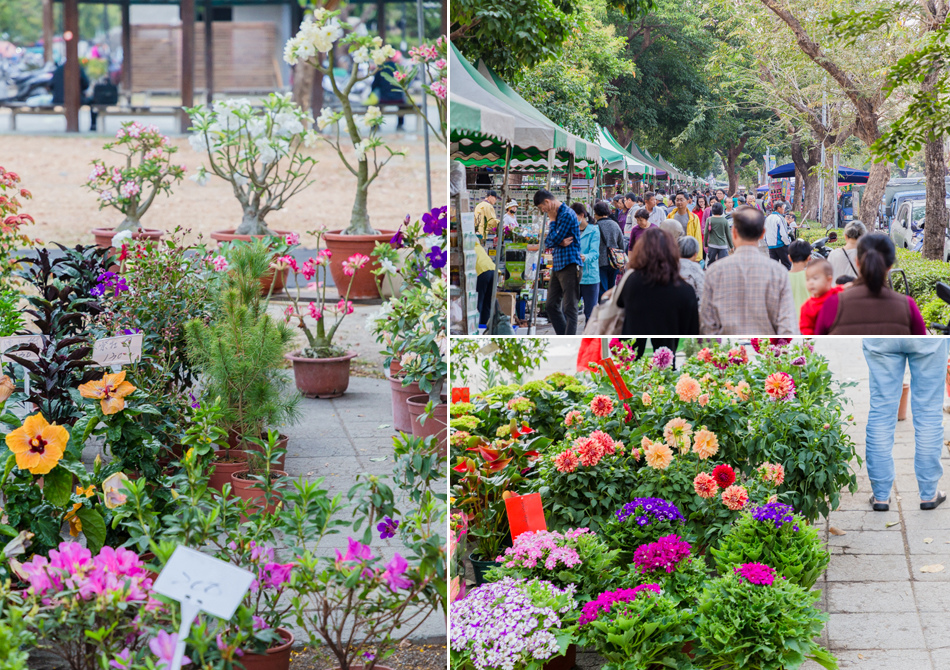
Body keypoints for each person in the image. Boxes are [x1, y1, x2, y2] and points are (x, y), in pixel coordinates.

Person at [864, 338, 950, 512]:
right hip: (926, 337)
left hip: (881, 334)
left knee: (881, 413)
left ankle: (881, 496)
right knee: (929, 413)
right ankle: (929, 494)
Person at [701, 206, 796, 335]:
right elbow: (787, 324)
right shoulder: (778, 272)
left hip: (727, 350)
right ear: (763, 233)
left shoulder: (714, 272)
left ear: (733, 232)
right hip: (766, 350)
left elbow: (707, 325)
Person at [815, 233, 926, 334]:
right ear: (890, 266)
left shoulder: (832, 304)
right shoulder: (907, 307)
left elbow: (815, 345)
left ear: (857, 262)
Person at [617, 227, 699, 335]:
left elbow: (620, 303)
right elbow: (692, 330)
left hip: (633, 348)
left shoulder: (631, 281)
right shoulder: (685, 290)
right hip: (669, 347)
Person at [536, 189, 581, 335]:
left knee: (570, 307)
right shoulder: (558, 214)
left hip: (569, 264)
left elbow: (551, 240)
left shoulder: (566, 214)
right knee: (550, 306)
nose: (543, 211)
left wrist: (553, 222)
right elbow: (550, 241)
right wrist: (558, 242)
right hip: (558, 264)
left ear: (547, 202)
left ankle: (569, 341)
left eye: (542, 207)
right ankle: (563, 336)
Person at [799, 259, 844, 335]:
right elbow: (806, 329)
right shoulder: (807, 306)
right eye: (807, 279)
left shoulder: (836, 293)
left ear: (829, 280)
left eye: (815, 278)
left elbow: (846, 288)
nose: (811, 282)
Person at [572, 203, 600, 322]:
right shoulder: (572, 231)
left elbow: (595, 253)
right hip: (573, 276)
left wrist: (585, 257)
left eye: (574, 217)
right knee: (569, 311)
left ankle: (590, 338)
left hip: (590, 277)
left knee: (590, 314)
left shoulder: (594, 230)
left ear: (582, 215)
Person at [52, 60, 98, 131]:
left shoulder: (58, 69)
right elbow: (86, 84)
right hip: (76, 99)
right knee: (93, 101)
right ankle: (93, 125)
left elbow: (51, 85)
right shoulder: (78, 68)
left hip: (58, 98)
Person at [593, 201, 624, 300]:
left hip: (600, 262)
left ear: (597, 213)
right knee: (612, 288)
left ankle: (603, 310)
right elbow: (621, 243)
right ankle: (611, 310)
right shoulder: (615, 224)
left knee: (602, 289)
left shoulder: (595, 227)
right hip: (614, 261)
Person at [371, 58, 406, 130]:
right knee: (402, 104)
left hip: (384, 97)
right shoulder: (398, 68)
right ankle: (400, 124)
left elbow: (374, 85)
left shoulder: (381, 68)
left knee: (375, 106)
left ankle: (375, 124)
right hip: (398, 98)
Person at [665, 192, 703, 257]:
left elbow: (697, 237)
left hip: (688, 251)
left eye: (681, 200)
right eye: (677, 200)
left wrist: (698, 257)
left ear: (687, 201)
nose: (679, 202)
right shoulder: (670, 216)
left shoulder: (693, 218)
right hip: (674, 251)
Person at [678, 235, 704, 306]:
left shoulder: (671, 265)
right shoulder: (696, 268)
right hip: (690, 307)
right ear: (695, 254)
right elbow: (702, 292)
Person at [473, 241, 496, 326]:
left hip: (482, 272)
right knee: (487, 303)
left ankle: (475, 326)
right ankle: (485, 326)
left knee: (478, 302)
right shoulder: (479, 247)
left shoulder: (468, 249)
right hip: (494, 271)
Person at [764, 201, 792, 269]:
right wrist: (787, 243)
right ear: (779, 208)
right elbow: (784, 234)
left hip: (771, 246)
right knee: (787, 265)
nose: (784, 209)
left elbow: (765, 232)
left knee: (773, 267)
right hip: (781, 245)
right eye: (783, 207)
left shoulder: (768, 218)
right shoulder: (780, 218)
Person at [787, 239, 812, 315]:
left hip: (789, 321)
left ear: (789, 258)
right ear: (809, 258)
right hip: (808, 321)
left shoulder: (782, 278)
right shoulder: (812, 277)